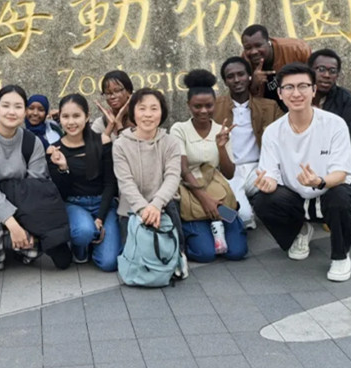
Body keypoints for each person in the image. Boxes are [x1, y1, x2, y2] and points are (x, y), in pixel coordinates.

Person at [252, 63, 351, 282]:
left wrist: (319, 181)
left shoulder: (334, 124)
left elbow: (341, 173)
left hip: (329, 190)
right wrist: (267, 184)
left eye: (303, 86)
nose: (296, 93)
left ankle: (340, 256)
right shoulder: (273, 132)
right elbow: (270, 174)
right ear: (280, 94)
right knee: (263, 200)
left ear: (313, 90)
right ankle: (298, 230)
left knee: (341, 196)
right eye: (289, 88)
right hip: (296, 197)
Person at [0, 85, 72, 271]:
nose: (11, 112)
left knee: (33, 253)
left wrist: (26, 224)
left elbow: (35, 188)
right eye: (5, 106)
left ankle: (19, 246)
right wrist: (14, 226)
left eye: (17, 107)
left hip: (24, 200)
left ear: (24, 111)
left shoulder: (32, 142)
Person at [170, 70, 248, 263]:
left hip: (217, 190)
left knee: (237, 252)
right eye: (197, 106)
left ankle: (224, 225)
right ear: (189, 105)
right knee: (205, 254)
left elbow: (229, 174)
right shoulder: (179, 129)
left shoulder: (220, 130)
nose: (203, 111)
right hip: (192, 193)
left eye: (208, 106)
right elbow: (183, 169)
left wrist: (221, 147)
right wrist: (205, 200)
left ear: (215, 104)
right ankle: (194, 232)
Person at [112, 88, 188, 278]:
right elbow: (125, 182)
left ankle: (178, 257)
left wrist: (155, 204)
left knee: (168, 250)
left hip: (163, 206)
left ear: (161, 112)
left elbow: (173, 176)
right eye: (142, 108)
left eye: (154, 108)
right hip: (131, 209)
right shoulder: (120, 145)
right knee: (129, 257)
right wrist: (143, 208)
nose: (148, 114)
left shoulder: (170, 142)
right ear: (133, 112)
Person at [47, 94, 121, 272]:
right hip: (75, 204)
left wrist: (100, 218)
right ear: (60, 119)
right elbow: (62, 192)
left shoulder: (102, 141)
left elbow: (111, 184)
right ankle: (82, 246)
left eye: (76, 116)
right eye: (65, 117)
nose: (71, 122)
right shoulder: (55, 150)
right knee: (83, 232)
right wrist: (63, 168)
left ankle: (95, 239)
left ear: (87, 117)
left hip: (103, 204)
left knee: (109, 263)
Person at [213, 57, 284, 229]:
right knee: (244, 220)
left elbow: (286, 134)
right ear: (225, 81)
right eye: (231, 76)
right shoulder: (215, 106)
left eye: (241, 74)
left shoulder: (269, 106)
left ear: (249, 77)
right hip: (230, 171)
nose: (236, 80)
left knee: (284, 191)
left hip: (259, 169)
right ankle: (242, 212)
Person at [241, 24, 311, 110]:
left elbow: (314, 79)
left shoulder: (297, 49)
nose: (253, 52)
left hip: (298, 100)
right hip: (270, 110)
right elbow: (243, 99)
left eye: (258, 45)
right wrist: (254, 84)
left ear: (268, 42)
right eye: (248, 48)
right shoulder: (245, 62)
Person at [308, 49, 351, 138]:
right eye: (321, 69)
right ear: (309, 71)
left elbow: (347, 138)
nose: (326, 75)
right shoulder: (297, 96)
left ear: (337, 75)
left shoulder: (348, 102)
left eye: (332, 71)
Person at [92, 70, 134, 141]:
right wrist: (109, 127)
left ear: (129, 91)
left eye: (117, 91)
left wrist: (119, 124)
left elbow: (128, 150)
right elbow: (93, 151)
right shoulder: (100, 124)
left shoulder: (139, 121)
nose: (112, 97)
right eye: (108, 93)